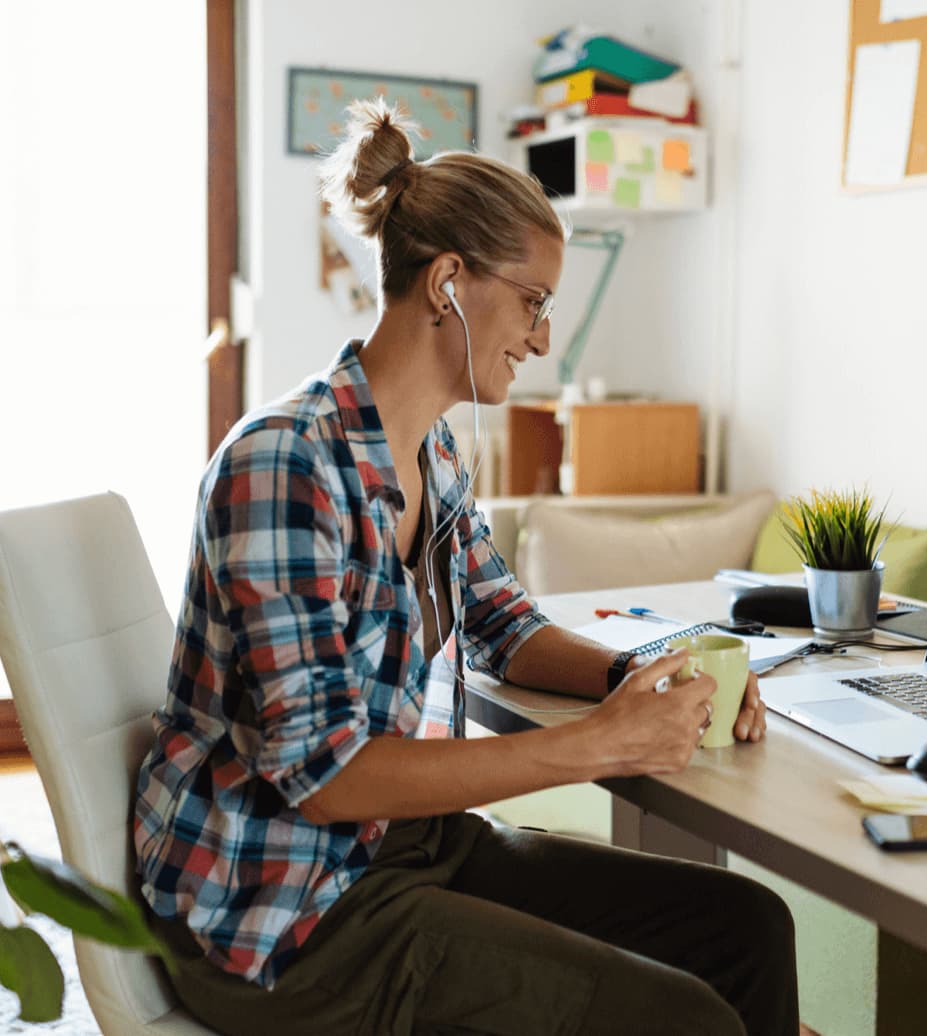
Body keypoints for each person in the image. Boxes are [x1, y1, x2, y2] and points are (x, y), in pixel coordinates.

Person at [131, 101, 796, 1036]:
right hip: (281, 908)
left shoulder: (432, 455)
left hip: (400, 852)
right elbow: (325, 775)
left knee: (747, 927)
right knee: (681, 1018)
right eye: (532, 302)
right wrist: (599, 744)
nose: (542, 337)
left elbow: (504, 627)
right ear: (449, 283)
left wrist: (640, 682)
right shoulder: (283, 465)